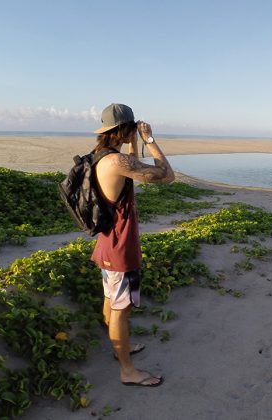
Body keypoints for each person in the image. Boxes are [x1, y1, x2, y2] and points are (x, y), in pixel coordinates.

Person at [90, 103, 175, 387]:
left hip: (106, 243)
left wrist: (134, 141)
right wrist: (150, 140)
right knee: (121, 310)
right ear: (123, 129)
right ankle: (127, 371)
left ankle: (119, 349)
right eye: (132, 128)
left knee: (109, 301)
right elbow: (167, 175)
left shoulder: (102, 157)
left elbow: (130, 167)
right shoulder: (116, 163)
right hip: (120, 247)